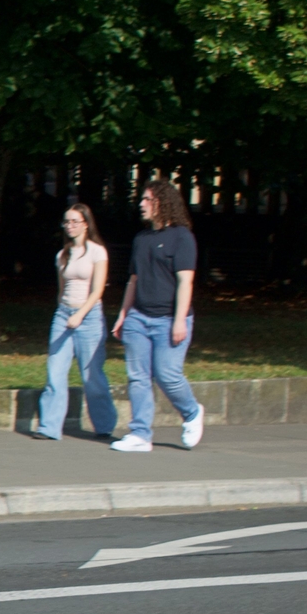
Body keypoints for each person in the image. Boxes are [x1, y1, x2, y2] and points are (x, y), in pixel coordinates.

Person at [110, 178, 205, 452]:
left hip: (169, 319)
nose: (141, 205)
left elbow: (186, 282)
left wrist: (179, 320)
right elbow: (133, 280)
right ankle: (140, 434)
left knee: (167, 374)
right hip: (139, 318)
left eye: (146, 200)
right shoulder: (142, 239)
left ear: (162, 203)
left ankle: (192, 412)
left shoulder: (182, 237)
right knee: (138, 376)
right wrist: (123, 315)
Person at [33, 201, 114, 441]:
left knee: (92, 375)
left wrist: (80, 314)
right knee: (55, 371)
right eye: (66, 221)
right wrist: (66, 312)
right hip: (64, 315)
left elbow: (98, 289)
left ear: (86, 225)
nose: (69, 226)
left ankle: (104, 425)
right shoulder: (62, 255)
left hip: (88, 317)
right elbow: (62, 288)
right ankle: (49, 427)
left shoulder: (97, 252)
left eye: (75, 221)